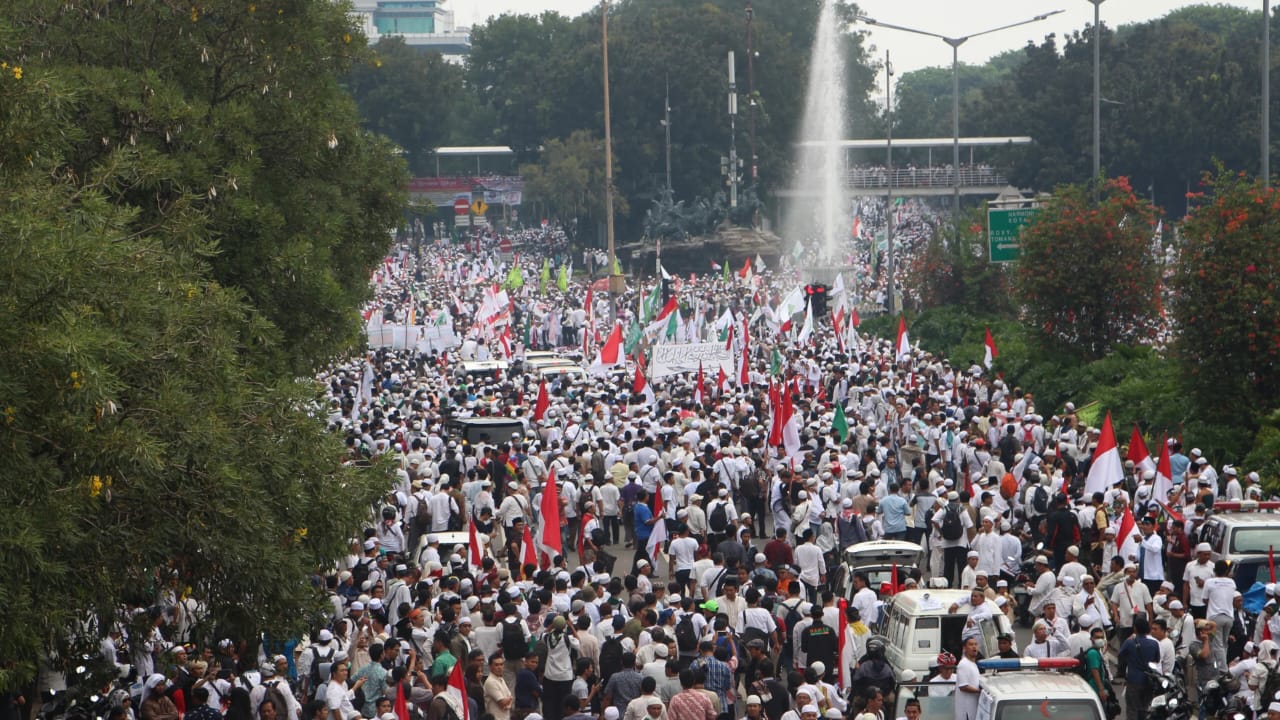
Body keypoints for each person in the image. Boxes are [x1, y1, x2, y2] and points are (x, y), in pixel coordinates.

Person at [1117, 616, 1161, 720]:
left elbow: (1120, 655)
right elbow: (1157, 659)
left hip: (1133, 680)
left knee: (1132, 708)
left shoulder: (1129, 642)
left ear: (1135, 629)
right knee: (1144, 708)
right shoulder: (1154, 643)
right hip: (1148, 680)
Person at [954, 637, 981, 720]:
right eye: (971, 644)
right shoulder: (963, 664)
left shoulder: (973, 664)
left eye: (975, 644)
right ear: (965, 648)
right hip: (966, 712)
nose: (974, 647)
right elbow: (963, 686)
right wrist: (980, 692)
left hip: (973, 708)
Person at [485, 654, 514, 720]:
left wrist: (508, 702)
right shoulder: (491, 682)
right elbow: (503, 702)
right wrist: (508, 701)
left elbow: (510, 697)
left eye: (501, 664)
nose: (499, 667)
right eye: (496, 665)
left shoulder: (501, 679)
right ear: (490, 666)